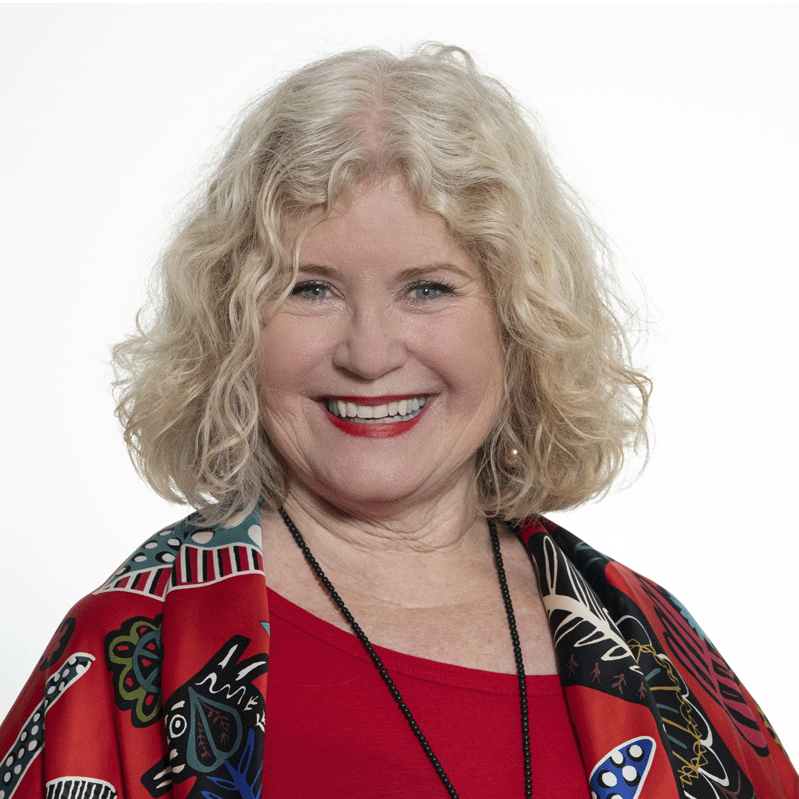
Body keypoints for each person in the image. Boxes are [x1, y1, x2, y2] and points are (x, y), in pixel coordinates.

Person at [1, 44, 795, 799]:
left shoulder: (649, 641)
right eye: (310, 288)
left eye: (427, 288)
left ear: (518, 322)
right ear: (233, 323)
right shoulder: (124, 650)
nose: (369, 354)